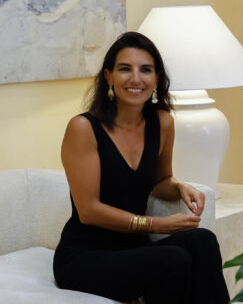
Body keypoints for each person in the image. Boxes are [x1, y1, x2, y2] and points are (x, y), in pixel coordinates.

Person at [53, 32, 230, 304]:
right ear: (109, 77)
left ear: (157, 79)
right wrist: (156, 224)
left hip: (133, 249)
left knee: (202, 240)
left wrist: (179, 187)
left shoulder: (163, 122)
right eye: (125, 69)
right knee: (173, 259)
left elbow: (161, 180)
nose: (136, 78)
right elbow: (88, 211)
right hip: (85, 257)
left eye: (146, 70)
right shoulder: (83, 128)